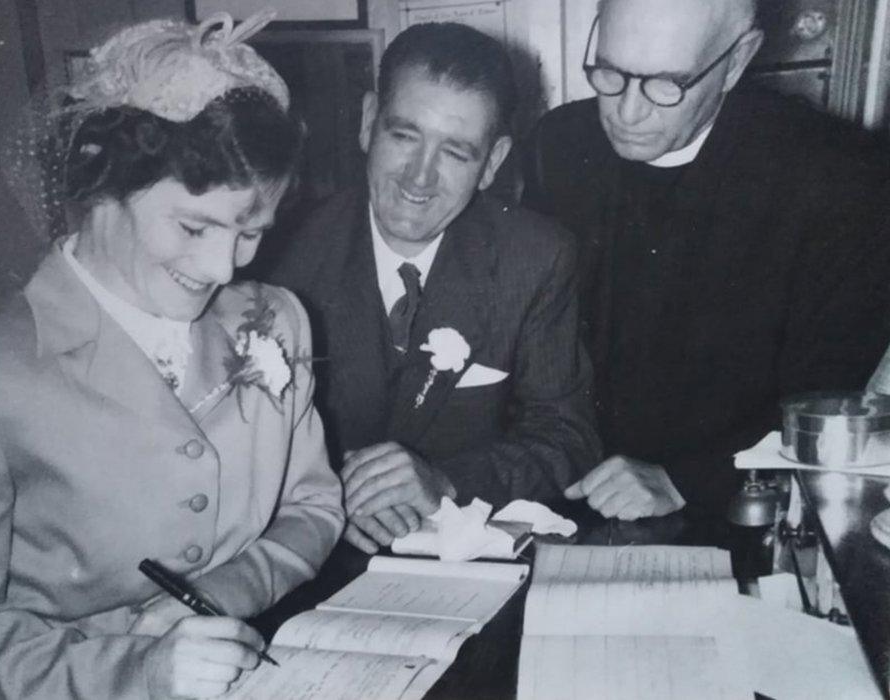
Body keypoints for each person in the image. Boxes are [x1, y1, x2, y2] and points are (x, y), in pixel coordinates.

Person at [0, 13, 344, 700]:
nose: (224, 268)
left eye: (250, 232)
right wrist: (133, 672)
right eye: (194, 226)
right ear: (104, 186)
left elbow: (315, 506)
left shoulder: (277, 320)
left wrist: (221, 592)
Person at [522, 0, 889, 520]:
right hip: (565, 493)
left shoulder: (840, 180)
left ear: (738, 61)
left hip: (741, 507)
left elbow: (826, 404)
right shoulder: (556, 146)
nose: (628, 112)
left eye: (668, 84)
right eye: (609, 72)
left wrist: (686, 481)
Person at [268, 22, 600, 554]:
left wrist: (445, 481)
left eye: (455, 152)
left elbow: (567, 439)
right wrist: (324, 501)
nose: (419, 179)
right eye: (404, 136)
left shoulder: (536, 258)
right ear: (368, 123)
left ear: (491, 163)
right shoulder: (277, 256)